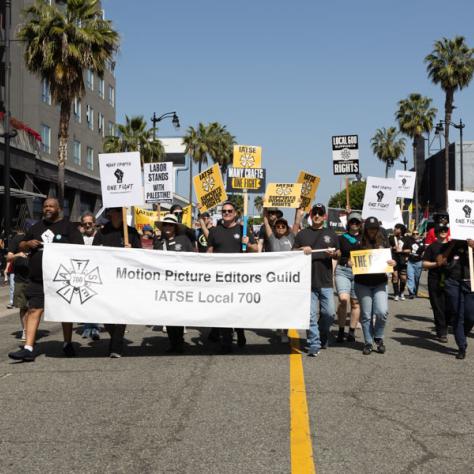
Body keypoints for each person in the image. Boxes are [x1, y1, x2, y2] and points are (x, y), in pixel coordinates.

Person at [8, 198, 84, 362]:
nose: (47, 209)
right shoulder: (36, 227)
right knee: (34, 310)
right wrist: (27, 243)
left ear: (59, 208)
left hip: (62, 279)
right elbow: (21, 245)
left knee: (64, 311)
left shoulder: (68, 227)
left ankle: (67, 343)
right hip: (37, 278)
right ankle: (28, 348)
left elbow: (80, 249)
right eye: (45, 206)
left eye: (51, 206)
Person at [207, 201, 257, 353]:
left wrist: (248, 244)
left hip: (238, 277)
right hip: (220, 277)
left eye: (229, 211)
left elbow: (256, 250)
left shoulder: (243, 230)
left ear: (235, 213)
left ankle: (240, 331)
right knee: (223, 309)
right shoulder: (215, 231)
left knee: (237, 308)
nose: (226, 213)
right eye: (224, 211)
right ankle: (226, 342)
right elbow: (209, 252)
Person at [93, 207, 142, 358]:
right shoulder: (102, 232)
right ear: (110, 214)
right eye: (117, 210)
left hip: (124, 279)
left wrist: (132, 249)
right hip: (106, 278)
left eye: (122, 210)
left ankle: (116, 346)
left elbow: (141, 255)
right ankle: (116, 339)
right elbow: (93, 253)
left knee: (121, 312)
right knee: (105, 314)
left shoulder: (131, 232)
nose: (121, 213)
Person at [293, 203, 339, 357]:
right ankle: (314, 343)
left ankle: (322, 333)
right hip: (308, 282)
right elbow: (292, 253)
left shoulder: (331, 234)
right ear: (311, 215)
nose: (317, 216)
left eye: (320, 213)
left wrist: (334, 255)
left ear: (325, 216)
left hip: (325, 281)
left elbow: (339, 253)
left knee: (329, 314)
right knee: (310, 315)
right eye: (314, 213)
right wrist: (301, 250)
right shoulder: (302, 234)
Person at [354, 216, 395, 355]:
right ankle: (368, 342)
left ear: (377, 228)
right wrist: (351, 262)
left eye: (374, 228)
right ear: (366, 229)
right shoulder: (359, 241)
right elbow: (349, 259)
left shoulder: (384, 241)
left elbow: (391, 259)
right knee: (366, 315)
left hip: (380, 282)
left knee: (382, 312)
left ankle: (378, 336)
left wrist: (392, 263)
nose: (372, 230)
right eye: (370, 228)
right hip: (362, 283)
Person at [154, 214, 195, 353]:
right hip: (166, 284)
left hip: (182, 283)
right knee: (169, 315)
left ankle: (179, 342)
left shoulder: (183, 240)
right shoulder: (159, 242)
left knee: (179, 314)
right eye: (165, 224)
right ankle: (174, 343)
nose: (167, 227)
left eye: (170, 225)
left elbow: (194, 258)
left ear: (175, 227)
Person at [262, 208, 297, 343]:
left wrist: (298, 208)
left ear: (286, 228)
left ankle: (284, 331)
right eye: (278, 226)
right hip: (275, 278)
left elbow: (297, 221)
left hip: (289, 278)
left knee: (287, 305)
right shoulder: (272, 239)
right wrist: (265, 208)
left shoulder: (291, 237)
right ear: (275, 228)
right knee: (277, 304)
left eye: (283, 226)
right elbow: (265, 222)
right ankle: (278, 324)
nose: (281, 228)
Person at [437, 238, 474, 360]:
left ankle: (461, 334)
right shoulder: (448, 245)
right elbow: (440, 262)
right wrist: (451, 246)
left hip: (470, 283)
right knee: (458, 314)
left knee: (470, 316)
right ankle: (462, 346)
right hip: (452, 283)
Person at [334, 212, 361, 343]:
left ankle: (351, 332)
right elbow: (336, 254)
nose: (354, 224)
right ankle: (340, 331)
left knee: (355, 303)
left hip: (359, 273)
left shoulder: (365, 238)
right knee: (343, 300)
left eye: (357, 222)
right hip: (343, 270)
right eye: (352, 222)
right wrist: (335, 254)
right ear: (348, 223)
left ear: (360, 224)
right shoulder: (341, 238)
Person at [422, 224, 450, 342]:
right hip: (435, 279)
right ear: (437, 233)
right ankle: (441, 331)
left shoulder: (452, 245)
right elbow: (424, 264)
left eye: (445, 230)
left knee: (450, 306)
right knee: (438, 306)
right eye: (441, 230)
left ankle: (445, 325)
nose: (443, 232)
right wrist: (436, 264)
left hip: (450, 279)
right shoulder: (432, 247)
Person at [79, 212, 101, 341]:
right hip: (83, 273)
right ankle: (88, 326)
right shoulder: (78, 237)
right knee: (85, 301)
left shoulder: (101, 236)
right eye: (85, 223)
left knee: (96, 301)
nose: (88, 225)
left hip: (97, 273)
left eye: (90, 223)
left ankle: (95, 327)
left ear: (94, 224)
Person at [6, 226, 28, 340]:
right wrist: (18, 255)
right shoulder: (16, 239)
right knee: (23, 307)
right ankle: (25, 331)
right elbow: (8, 258)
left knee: (34, 308)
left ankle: (30, 330)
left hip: (35, 279)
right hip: (20, 279)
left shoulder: (37, 238)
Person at [389, 223, 409, 300]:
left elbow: (409, 250)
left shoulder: (406, 238)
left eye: (396, 228)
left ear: (400, 230)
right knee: (395, 276)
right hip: (394, 260)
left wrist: (402, 250)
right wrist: (393, 248)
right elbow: (387, 248)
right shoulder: (391, 238)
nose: (394, 229)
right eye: (395, 228)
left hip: (403, 260)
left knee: (403, 278)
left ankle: (401, 292)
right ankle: (396, 294)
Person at [404, 229, 425, 299]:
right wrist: (407, 252)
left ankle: (415, 292)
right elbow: (404, 249)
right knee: (410, 278)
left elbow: (426, 250)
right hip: (410, 262)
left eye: (417, 233)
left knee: (416, 278)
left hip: (419, 262)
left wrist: (424, 254)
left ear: (419, 234)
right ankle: (411, 293)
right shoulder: (409, 241)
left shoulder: (422, 242)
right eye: (414, 234)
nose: (415, 235)